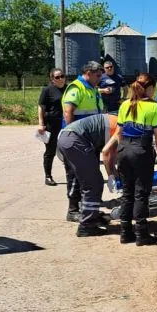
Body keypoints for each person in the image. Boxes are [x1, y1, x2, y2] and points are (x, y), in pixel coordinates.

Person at [102, 73, 157, 246]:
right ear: (150, 88)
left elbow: (119, 133)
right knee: (141, 194)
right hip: (141, 152)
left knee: (127, 193)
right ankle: (142, 234)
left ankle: (125, 232)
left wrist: (108, 150)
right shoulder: (154, 107)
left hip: (123, 151)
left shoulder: (125, 105)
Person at [58, 114, 118, 237]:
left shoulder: (117, 121)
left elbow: (112, 156)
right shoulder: (123, 128)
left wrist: (114, 174)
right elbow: (107, 152)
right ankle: (87, 225)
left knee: (90, 181)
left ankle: (91, 216)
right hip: (74, 140)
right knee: (93, 183)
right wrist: (112, 175)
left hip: (69, 138)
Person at [62, 61, 104, 221]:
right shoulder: (76, 88)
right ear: (88, 72)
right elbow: (68, 111)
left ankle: (86, 208)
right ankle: (73, 210)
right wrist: (74, 134)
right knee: (75, 174)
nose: (100, 78)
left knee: (88, 175)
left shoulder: (92, 89)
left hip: (91, 140)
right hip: (77, 140)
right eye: (98, 75)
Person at [37, 68, 67, 186]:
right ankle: (48, 176)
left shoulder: (68, 89)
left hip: (66, 124)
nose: (61, 79)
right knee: (50, 151)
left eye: (62, 76)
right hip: (51, 124)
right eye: (57, 77)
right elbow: (41, 107)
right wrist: (41, 123)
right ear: (52, 79)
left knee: (68, 150)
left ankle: (72, 175)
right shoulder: (47, 90)